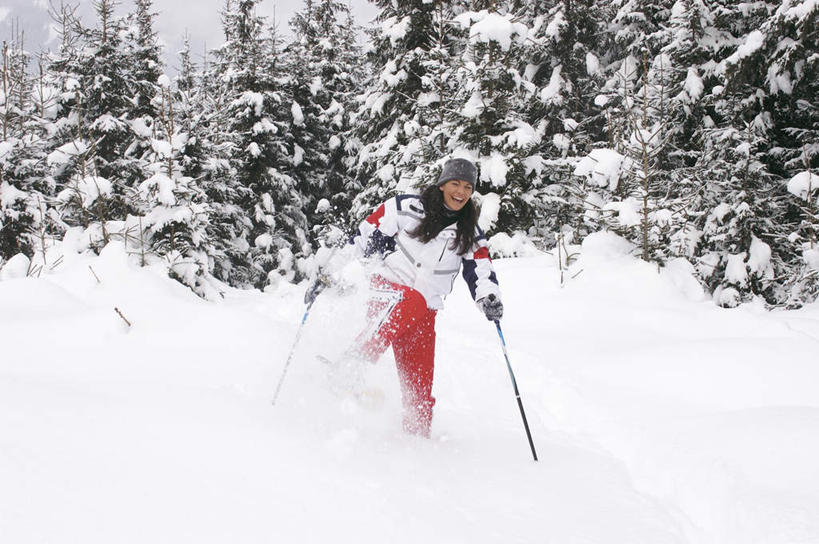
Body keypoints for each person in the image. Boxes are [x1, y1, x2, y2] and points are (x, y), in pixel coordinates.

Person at [308, 158, 503, 437]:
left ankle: (417, 441)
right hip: (387, 291)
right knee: (412, 300)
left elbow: (481, 270)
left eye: (467, 187)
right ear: (442, 184)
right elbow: (362, 239)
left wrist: (489, 297)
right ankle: (349, 367)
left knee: (419, 389)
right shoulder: (405, 207)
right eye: (455, 184)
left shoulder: (469, 232)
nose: (460, 192)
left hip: (424, 312)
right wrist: (330, 272)